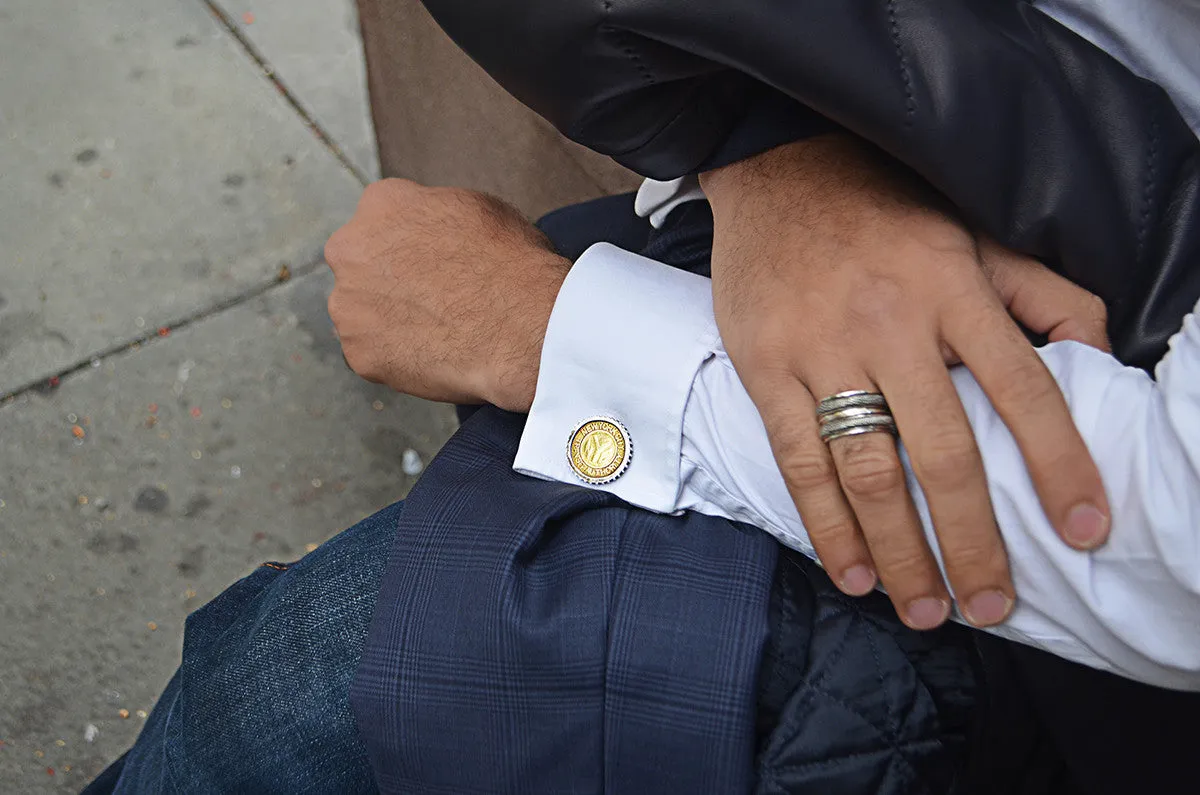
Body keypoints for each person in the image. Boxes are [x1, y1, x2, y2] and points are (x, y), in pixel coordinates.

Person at [85, 2, 1200, 793]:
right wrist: (775, 143)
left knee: (293, 692)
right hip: (1001, 201)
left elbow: (1172, 548)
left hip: (1079, 619)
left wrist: (549, 327)